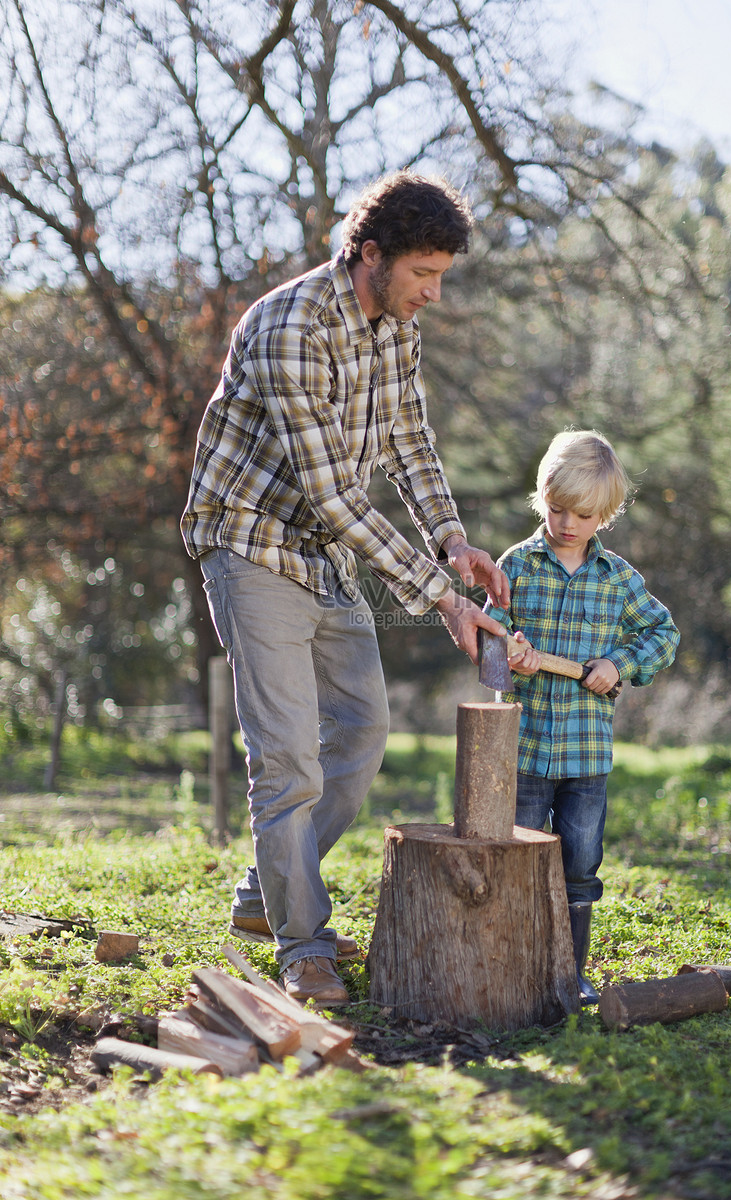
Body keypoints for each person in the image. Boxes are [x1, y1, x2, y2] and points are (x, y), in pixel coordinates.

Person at [181, 171, 510, 1006]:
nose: (432, 293)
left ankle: (267, 896)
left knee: (362, 738)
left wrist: (451, 538)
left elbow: (409, 439)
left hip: (327, 557)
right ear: (371, 255)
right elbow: (332, 492)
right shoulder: (291, 325)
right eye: (422, 275)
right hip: (251, 543)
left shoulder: (397, 330)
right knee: (288, 760)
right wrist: (439, 594)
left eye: (441, 276)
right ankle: (303, 944)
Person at [486, 430, 679, 1003]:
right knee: (514, 857)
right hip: (521, 751)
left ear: (606, 515)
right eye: (557, 509)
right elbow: (489, 651)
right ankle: (511, 967)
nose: (568, 523)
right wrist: (510, 657)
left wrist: (619, 665)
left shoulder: (618, 579)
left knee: (579, 864)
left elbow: (663, 634)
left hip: (585, 757)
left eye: (584, 514)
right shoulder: (515, 566)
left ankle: (569, 975)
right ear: (541, 498)